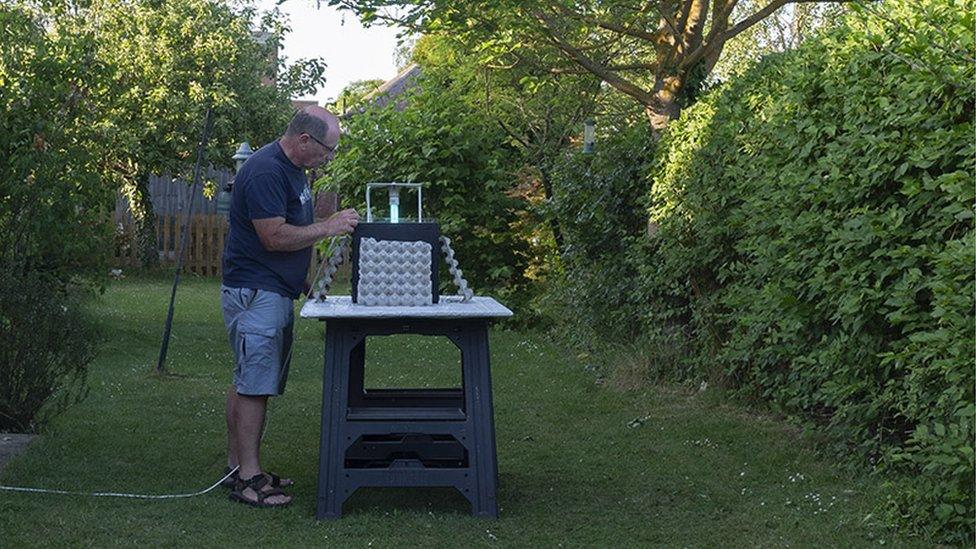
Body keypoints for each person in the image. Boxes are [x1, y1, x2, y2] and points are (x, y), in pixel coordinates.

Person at [220, 106, 359, 507]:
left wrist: (298, 279)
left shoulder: (292, 171)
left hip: (270, 288)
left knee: (246, 377)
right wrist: (328, 226)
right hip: (255, 292)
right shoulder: (266, 171)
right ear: (304, 140)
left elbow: (283, 235)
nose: (328, 158)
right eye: (327, 150)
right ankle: (249, 480)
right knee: (254, 385)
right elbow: (274, 237)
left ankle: (237, 467)